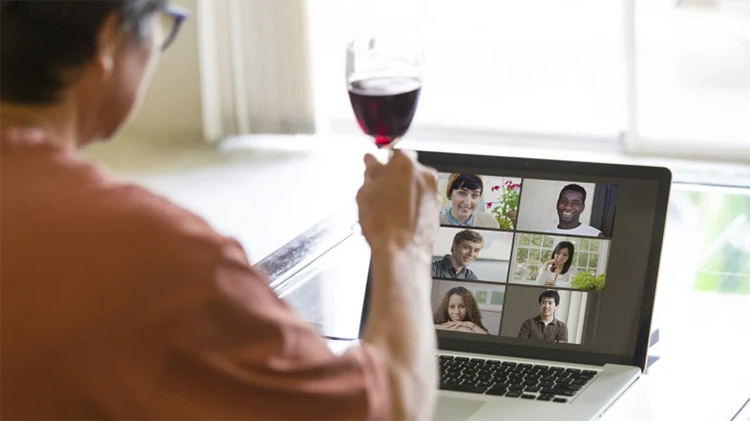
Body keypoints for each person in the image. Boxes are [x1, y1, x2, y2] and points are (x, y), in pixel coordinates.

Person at [0, 1, 441, 419]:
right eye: (161, 24)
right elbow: (388, 409)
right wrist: (404, 245)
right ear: (109, 40)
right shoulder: (153, 253)